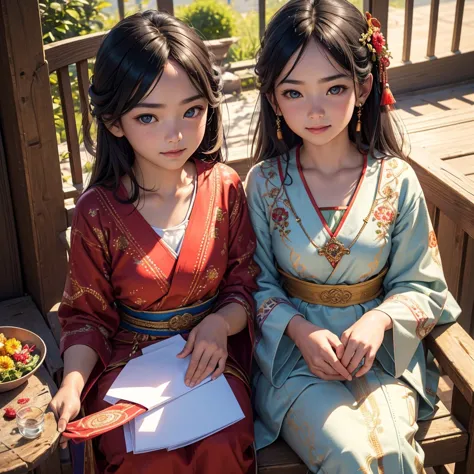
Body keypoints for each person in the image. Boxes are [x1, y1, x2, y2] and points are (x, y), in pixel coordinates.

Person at [244, 0, 461, 472]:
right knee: (349, 452)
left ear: (364, 87)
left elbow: (423, 284)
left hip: (383, 357)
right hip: (295, 363)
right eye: (294, 92)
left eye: (334, 87)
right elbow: (253, 285)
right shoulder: (262, 183)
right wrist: (300, 331)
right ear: (274, 98)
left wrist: (379, 320)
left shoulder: (397, 179)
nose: (314, 110)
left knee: (396, 453)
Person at [49, 10, 259, 474]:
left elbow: (245, 284)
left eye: (192, 110)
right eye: (149, 115)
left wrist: (220, 325)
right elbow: (86, 316)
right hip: (128, 366)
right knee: (142, 458)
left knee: (222, 445)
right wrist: (72, 382)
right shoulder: (97, 212)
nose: (176, 133)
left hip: (210, 359)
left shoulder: (225, 187)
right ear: (114, 121)